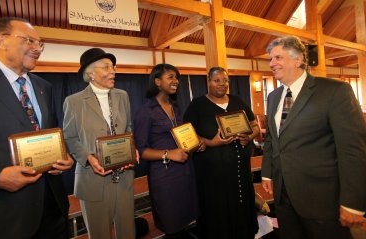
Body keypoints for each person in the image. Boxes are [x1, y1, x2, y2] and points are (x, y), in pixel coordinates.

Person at [0, 17, 74, 239]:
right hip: (2, 215)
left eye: (40, 44)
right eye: (29, 41)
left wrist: (65, 156)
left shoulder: (44, 87)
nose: (37, 49)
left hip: (52, 209)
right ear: (2, 40)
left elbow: (51, 133)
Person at [261, 36, 366, 239]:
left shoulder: (335, 92)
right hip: (284, 198)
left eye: (277, 58)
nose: (272, 63)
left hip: (322, 199)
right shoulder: (273, 97)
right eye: (270, 59)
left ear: (298, 59)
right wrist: (267, 173)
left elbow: (353, 150)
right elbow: (272, 141)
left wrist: (353, 203)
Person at [63, 48, 135, 239]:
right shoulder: (73, 102)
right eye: (106, 67)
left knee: (128, 233)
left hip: (124, 178)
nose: (113, 71)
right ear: (90, 73)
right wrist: (88, 157)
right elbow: (69, 137)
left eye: (113, 67)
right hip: (92, 180)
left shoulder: (123, 95)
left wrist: (132, 149)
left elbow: (128, 127)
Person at [183, 66, 260, 239]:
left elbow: (255, 126)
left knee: (241, 205)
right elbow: (187, 138)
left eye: (225, 80)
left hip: (240, 171)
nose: (221, 84)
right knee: (217, 211)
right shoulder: (197, 105)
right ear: (208, 81)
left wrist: (249, 137)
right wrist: (212, 142)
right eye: (217, 80)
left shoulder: (238, 101)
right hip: (212, 176)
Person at [134, 64, 200, 239]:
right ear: (157, 81)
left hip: (185, 170)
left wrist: (195, 144)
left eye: (176, 77)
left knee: (185, 217)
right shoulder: (145, 111)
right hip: (163, 175)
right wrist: (168, 154)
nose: (176, 81)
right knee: (171, 222)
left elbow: (180, 136)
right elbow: (141, 150)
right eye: (170, 77)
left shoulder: (175, 107)